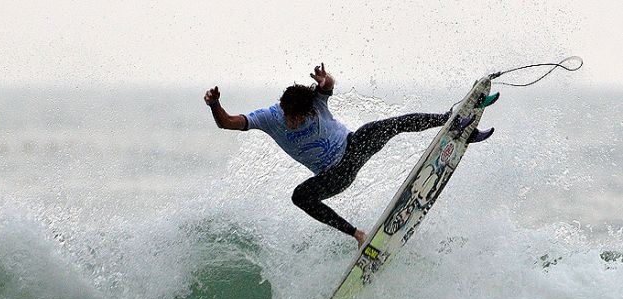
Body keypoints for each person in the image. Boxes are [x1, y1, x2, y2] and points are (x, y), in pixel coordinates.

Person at [203, 63, 492, 246]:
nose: (293, 123)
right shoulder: (268, 117)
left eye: (299, 119)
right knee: (299, 196)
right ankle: (357, 234)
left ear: (309, 111)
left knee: (384, 126)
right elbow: (227, 123)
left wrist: (325, 80)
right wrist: (215, 105)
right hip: (334, 176)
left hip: (353, 147)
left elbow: (327, 87)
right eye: (290, 118)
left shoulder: (315, 103)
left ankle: (452, 122)